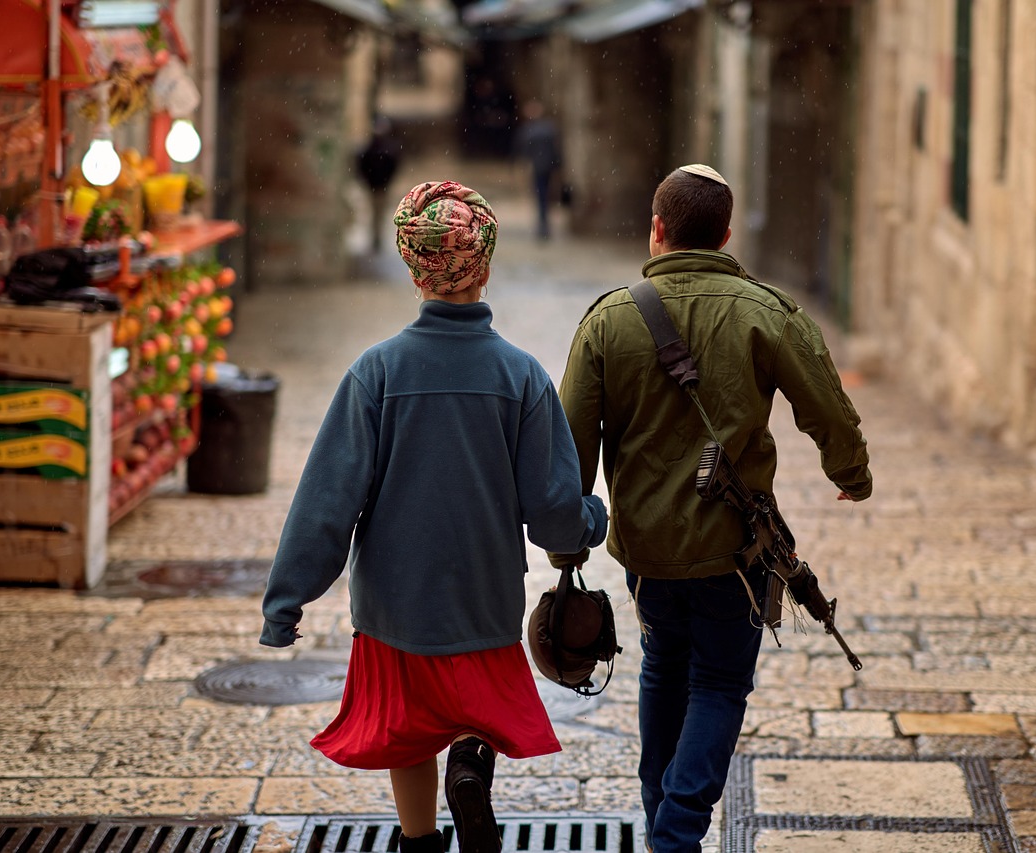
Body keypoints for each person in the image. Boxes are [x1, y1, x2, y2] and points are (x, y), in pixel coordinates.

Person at [261, 181, 608, 853]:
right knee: (475, 704)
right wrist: (590, 520)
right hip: (483, 597)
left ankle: (419, 840)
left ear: (414, 268)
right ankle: (472, 762)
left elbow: (326, 502)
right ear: (485, 264)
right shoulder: (521, 377)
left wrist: (286, 602)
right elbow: (553, 515)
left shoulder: (376, 373)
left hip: (396, 607)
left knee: (409, 729)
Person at [551, 165, 873, 852]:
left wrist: (566, 545)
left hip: (648, 553)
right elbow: (827, 407)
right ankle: (676, 834)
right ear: (726, 235)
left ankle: (663, 828)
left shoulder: (608, 320)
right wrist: (852, 474)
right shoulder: (767, 312)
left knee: (664, 666)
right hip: (735, 548)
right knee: (721, 684)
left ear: (656, 229)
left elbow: (569, 450)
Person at [511, 100, 561, 240]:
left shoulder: (528, 130)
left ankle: (543, 224)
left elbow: (521, 151)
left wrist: (519, 165)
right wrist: (558, 166)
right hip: (547, 166)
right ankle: (544, 223)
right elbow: (556, 150)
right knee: (545, 195)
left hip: (538, 167)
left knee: (541, 195)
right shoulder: (548, 129)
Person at [356, 117, 402, 253]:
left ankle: (377, 239)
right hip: (376, 186)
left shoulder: (383, 150)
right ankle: (376, 239)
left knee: (378, 214)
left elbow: (392, 166)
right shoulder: (377, 150)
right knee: (376, 214)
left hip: (380, 186)